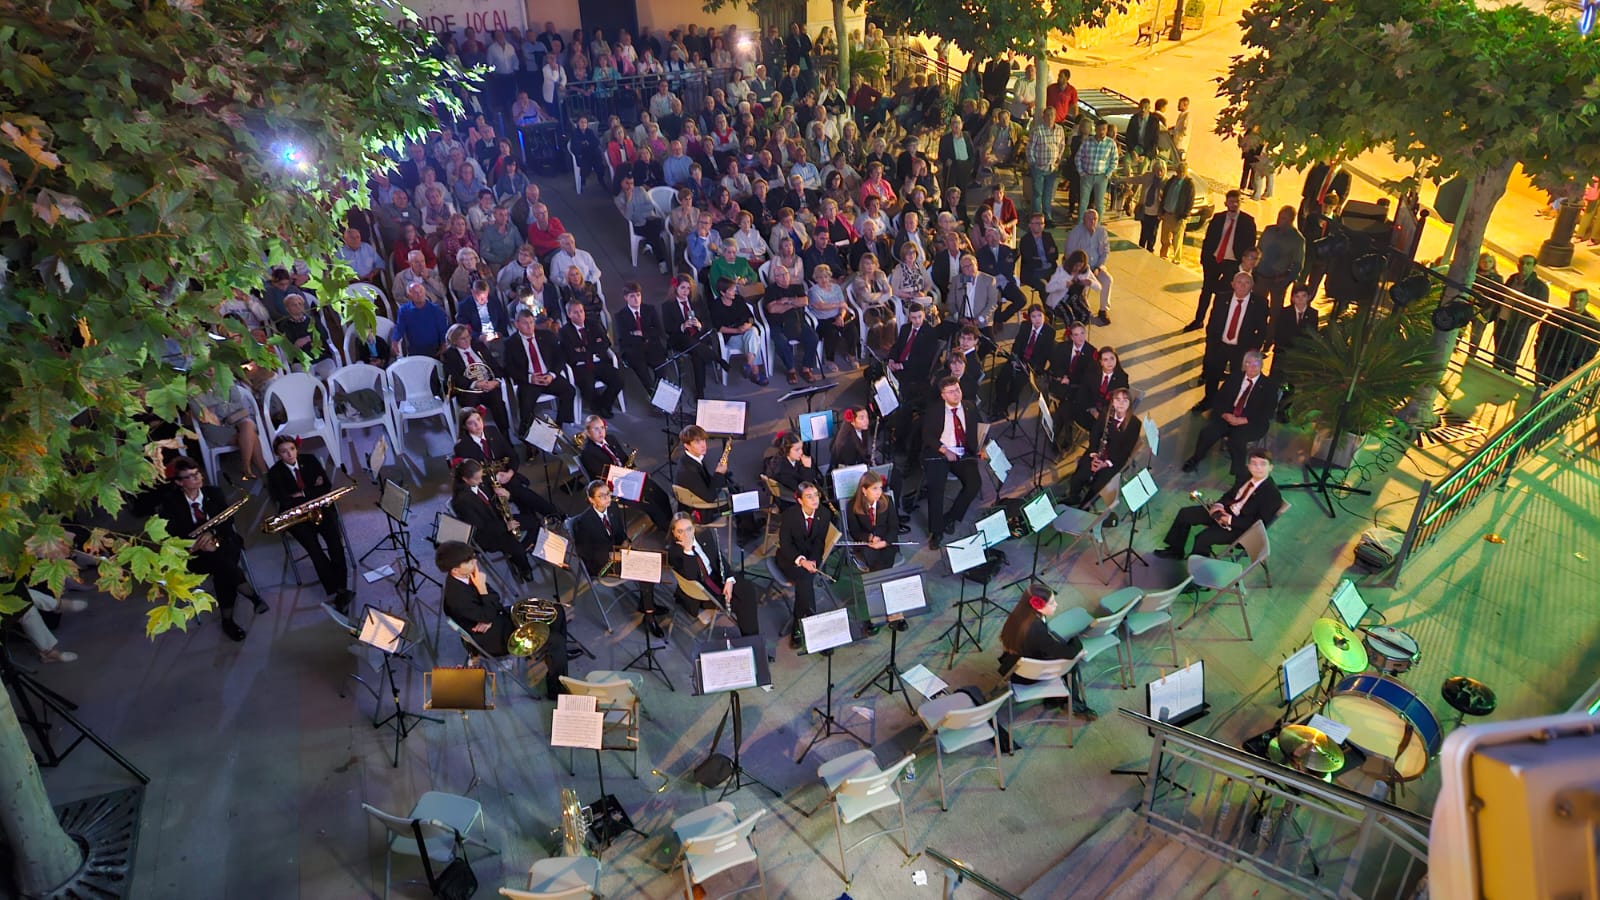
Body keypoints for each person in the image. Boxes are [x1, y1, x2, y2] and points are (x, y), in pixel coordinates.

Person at [436, 541, 570, 700]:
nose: (475, 562)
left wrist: (488, 612)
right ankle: (556, 690)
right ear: (456, 570)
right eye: (469, 561)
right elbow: (489, 609)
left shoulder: (470, 574)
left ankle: (554, 655)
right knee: (556, 642)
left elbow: (496, 600)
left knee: (557, 611)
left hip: (498, 618)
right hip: (492, 639)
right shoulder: (456, 597)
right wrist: (483, 592)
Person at [158, 457, 262, 641]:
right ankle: (250, 598)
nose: (197, 478)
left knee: (222, 562)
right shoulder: (170, 502)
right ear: (179, 482)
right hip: (194, 553)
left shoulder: (213, 493)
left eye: (197, 473)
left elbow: (227, 521)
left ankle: (229, 621)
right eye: (190, 477)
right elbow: (171, 532)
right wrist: (197, 543)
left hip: (223, 542)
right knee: (223, 567)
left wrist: (212, 533)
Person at [266, 436, 353, 612]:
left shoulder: (310, 460)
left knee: (336, 545)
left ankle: (341, 588)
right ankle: (337, 590)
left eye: (291, 448)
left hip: (322, 510)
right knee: (315, 551)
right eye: (284, 451)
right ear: (278, 454)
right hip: (298, 519)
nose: (289, 454)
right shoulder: (274, 473)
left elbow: (326, 486)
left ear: (296, 448)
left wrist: (300, 494)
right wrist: (311, 490)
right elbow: (283, 500)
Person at [571, 479, 665, 636]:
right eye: (602, 496)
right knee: (647, 570)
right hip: (602, 564)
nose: (607, 498)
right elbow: (585, 554)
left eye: (608, 494)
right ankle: (649, 616)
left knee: (652, 562)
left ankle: (647, 605)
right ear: (591, 500)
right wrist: (612, 555)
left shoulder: (612, 507)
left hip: (620, 553)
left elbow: (620, 532)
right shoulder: (583, 523)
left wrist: (625, 541)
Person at [1157, 449, 1283, 559]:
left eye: (1263, 464)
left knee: (1203, 538)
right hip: (1226, 511)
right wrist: (1219, 505)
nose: (1258, 468)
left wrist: (1230, 520)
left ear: (1270, 467)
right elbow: (1230, 494)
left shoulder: (1272, 494)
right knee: (1185, 514)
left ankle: (1197, 577)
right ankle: (1175, 551)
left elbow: (1257, 524)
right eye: (1254, 464)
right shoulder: (1245, 476)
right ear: (1248, 466)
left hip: (1240, 528)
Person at [997, 587, 1095, 718]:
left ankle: (1058, 700)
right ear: (1038, 606)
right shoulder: (1035, 628)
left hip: (1013, 663)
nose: (1056, 605)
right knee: (1071, 664)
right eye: (1052, 603)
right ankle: (1073, 703)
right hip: (1025, 675)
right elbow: (1067, 653)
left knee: (1062, 651)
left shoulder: (1020, 615)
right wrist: (1076, 641)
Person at [452, 407, 560, 523]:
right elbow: (470, 475)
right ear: (464, 427)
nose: (477, 425)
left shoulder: (492, 431)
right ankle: (537, 521)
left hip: (505, 475)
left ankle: (553, 515)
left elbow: (512, 455)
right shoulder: (462, 447)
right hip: (485, 484)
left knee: (522, 493)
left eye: (478, 419)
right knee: (518, 495)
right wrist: (492, 480)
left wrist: (510, 472)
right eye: (471, 423)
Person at [1183, 350, 1276, 482]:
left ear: (1261, 365)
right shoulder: (1235, 377)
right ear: (1244, 364)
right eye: (1248, 363)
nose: (1251, 367)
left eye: (1255, 364)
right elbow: (1219, 398)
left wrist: (1242, 420)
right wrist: (1225, 414)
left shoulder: (1269, 386)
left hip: (1251, 421)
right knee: (1208, 432)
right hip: (1229, 414)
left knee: (1236, 440)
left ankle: (1239, 473)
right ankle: (1196, 458)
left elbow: (1267, 412)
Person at [666, 513, 761, 635]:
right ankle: (753, 642)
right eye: (680, 531)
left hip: (718, 575)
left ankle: (753, 640)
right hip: (704, 589)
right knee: (742, 605)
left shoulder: (704, 535)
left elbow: (719, 557)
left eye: (689, 529)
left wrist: (729, 579)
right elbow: (691, 576)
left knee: (748, 589)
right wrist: (688, 551)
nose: (686, 535)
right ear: (673, 532)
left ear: (694, 528)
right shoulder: (674, 553)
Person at [577, 415, 673, 531]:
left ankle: (672, 522)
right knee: (650, 504)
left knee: (661, 494)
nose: (601, 432)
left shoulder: (611, 439)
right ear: (587, 432)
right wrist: (625, 476)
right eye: (595, 429)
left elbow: (623, 457)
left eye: (602, 428)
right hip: (616, 486)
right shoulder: (588, 453)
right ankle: (669, 531)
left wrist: (633, 468)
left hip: (629, 476)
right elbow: (603, 478)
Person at [923, 377, 986, 549]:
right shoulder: (934, 410)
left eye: (957, 390)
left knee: (974, 483)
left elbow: (980, 429)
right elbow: (927, 436)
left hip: (962, 452)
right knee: (936, 488)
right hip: (940, 452)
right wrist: (944, 451)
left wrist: (982, 447)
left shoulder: (969, 407)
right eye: (951, 392)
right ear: (943, 395)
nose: (956, 394)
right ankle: (936, 531)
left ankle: (950, 518)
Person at [450, 459, 537, 582]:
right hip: (488, 534)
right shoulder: (461, 502)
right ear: (465, 479)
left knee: (534, 522)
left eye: (481, 477)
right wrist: (506, 526)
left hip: (498, 519)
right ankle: (524, 567)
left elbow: (490, 498)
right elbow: (481, 526)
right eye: (477, 479)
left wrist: (505, 494)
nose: (481, 481)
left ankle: (523, 548)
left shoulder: (478, 482)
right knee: (516, 548)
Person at [1195, 271, 1270, 413]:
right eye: (1239, 282)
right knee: (1213, 375)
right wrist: (1211, 344)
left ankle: (1229, 406)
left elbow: (1261, 330)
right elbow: (1212, 322)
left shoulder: (1259, 303)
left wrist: (1252, 352)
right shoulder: (1222, 298)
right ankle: (1208, 400)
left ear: (1252, 286)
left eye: (1247, 283)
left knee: (1237, 379)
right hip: (1220, 346)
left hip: (1242, 350)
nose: (1242, 286)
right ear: (1233, 284)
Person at [1188, 190, 1258, 333]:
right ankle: (1198, 320)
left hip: (1232, 264)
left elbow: (1250, 246)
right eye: (1231, 201)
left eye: (1236, 202)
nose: (1233, 205)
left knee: (1223, 295)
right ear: (1226, 202)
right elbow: (1208, 240)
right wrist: (1204, 258)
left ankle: (1216, 325)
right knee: (1206, 291)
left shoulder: (1247, 222)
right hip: (1214, 260)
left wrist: (1244, 266)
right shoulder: (1218, 218)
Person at [1063, 388, 1141, 509]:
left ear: (1129, 403)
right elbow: (1095, 433)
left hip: (1113, 460)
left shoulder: (1135, 424)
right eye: (1117, 400)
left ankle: (1085, 505)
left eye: (1125, 400)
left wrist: (1105, 463)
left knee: (1099, 482)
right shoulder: (1106, 413)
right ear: (1113, 402)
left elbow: (1125, 451)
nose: (1121, 403)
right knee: (1080, 474)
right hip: (1097, 451)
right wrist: (1094, 454)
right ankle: (1074, 496)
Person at [776, 481, 832, 648]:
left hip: (812, 558)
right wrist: (801, 560)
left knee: (804, 581)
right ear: (799, 500)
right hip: (790, 558)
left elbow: (819, 542)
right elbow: (785, 544)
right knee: (805, 579)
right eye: (809, 496)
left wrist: (813, 560)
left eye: (816, 495)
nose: (815, 499)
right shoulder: (789, 515)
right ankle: (809, 623)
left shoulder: (824, 513)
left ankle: (799, 626)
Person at [502, 307, 576, 426]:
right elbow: (508, 368)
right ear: (517, 324)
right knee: (526, 403)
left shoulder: (547, 336)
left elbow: (560, 357)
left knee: (569, 391)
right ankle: (527, 432)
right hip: (529, 381)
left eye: (531, 322)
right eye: (525, 323)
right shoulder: (511, 343)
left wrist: (552, 375)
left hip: (548, 376)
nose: (529, 326)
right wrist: (529, 378)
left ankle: (560, 424)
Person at [441, 323, 513, 438]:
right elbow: (455, 377)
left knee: (497, 401)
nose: (467, 340)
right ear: (454, 341)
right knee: (470, 405)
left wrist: (495, 381)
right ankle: (475, 439)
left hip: (488, 385)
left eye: (468, 336)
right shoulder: (449, 355)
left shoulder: (479, 346)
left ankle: (505, 436)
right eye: (462, 339)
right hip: (469, 390)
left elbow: (494, 366)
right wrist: (475, 384)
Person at [557, 300, 624, 418]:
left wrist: (583, 350)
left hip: (599, 362)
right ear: (569, 314)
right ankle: (601, 407)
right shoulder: (564, 332)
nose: (580, 315)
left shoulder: (594, 324)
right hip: (580, 366)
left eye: (581, 311)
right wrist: (592, 349)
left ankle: (602, 405)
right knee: (587, 387)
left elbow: (605, 343)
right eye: (576, 312)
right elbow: (570, 354)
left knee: (618, 380)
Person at [992, 305, 1055, 421]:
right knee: (1001, 380)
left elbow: (1043, 355)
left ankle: (1001, 406)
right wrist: (1014, 359)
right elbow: (1017, 343)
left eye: (1039, 316)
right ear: (1030, 318)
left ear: (1044, 316)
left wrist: (1027, 364)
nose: (1037, 319)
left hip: (1031, 364)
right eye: (1033, 316)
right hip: (1018, 359)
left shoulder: (1049, 332)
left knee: (1017, 384)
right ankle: (1001, 406)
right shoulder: (1025, 326)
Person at [661, 275, 719, 399]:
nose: (685, 291)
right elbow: (667, 328)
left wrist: (700, 325)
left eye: (688, 288)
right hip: (679, 338)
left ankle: (699, 391)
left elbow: (708, 320)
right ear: (676, 288)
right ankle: (701, 388)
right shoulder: (667, 305)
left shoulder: (696, 300)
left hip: (697, 336)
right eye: (682, 288)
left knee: (697, 351)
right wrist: (682, 326)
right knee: (694, 345)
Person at [762, 264, 821, 384]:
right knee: (781, 341)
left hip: (798, 321)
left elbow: (804, 301)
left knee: (813, 338)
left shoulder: (797, 287)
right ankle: (791, 370)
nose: (784, 277)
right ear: (776, 278)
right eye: (780, 275)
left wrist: (786, 302)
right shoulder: (770, 290)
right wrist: (794, 303)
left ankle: (806, 368)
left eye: (786, 274)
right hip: (778, 323)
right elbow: (772, 309)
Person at [1495, 254, 1549, 375]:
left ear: (1534, 267)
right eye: (1522, 263)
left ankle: (1509, 378)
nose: (1524, 266)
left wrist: (1526, 321)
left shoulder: (1540, 287)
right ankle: (1495, 375)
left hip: (1518, 324)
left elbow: (1540, 309)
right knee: (1498, 352)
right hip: (1502, 319)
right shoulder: (1512, 278)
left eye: (1528, 264)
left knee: (1512, 355)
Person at [709, 275, 769, 384]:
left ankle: (749, 365)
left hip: (746, 332)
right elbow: (719, 328)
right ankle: (755, 373)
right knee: (755, 340)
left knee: (753, 333)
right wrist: (737, 331)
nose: (734, 291)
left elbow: (750, 317)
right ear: (723, 293)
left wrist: (748, 325)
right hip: (731, 337)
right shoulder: (716, 305)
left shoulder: (739, 300)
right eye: (731, 290)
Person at [1533, 288, 1600, 387]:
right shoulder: (1557, 315)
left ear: (1586, 302)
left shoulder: (1592, 324)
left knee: (1558, 397)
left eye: (1580, 300)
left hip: (1568, 367)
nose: (1576, 303)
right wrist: (1539, 356)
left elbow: (1591, 350)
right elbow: (1542, 335)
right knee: (1538, 391)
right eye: (1574, 299)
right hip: (1548, 362)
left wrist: (1577, 367)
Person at [1063, 208, 1114, 326]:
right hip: (1080, 268)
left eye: (1095, 219)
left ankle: (1103, 309)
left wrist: (1099, 267)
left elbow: (1106, 252)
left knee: (1107, 280)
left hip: (1096, 266)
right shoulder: (1076, 232)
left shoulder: (1102, 232)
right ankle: (1085, 309)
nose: (1092, 221)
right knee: (1084, 284)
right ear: (1084, 220)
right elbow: (1069, 253)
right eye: (1089, 219)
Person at [614, 281, 667, 391]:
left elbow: (659, 331)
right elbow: (624, 338)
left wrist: (641, 333)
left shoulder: (650, 310)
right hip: (633, 350)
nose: (636, 299)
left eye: (638, 295)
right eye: (632, 296)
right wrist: (647, 333)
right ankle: (653, 395)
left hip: (651, 345)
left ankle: (660, 396)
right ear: (626, 298)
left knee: (661, 367)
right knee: (642, 371)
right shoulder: (620, 316)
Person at [847, 470, 900, 571]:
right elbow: (854, 531)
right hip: (866, 543)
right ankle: (881, 583)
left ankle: (880, 583)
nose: (879, 492)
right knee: (875, 561)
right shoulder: (852, 505)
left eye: (880, 488)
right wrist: (869, 537)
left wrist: (884, 542)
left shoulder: (887, 501)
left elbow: (894, 527)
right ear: (864, 490)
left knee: (887, 558)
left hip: (886, 540)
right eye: (874, 489)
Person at [1255, 205, 1305, 310]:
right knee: (1256, 308)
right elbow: (1258, 250)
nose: (1279, 220)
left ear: (1291, 220)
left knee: (1275, 311)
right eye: (1279, 216)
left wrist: (1285, 282)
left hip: (1278, 280)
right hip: (1261, 277)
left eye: (1283, 218)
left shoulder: (1297, 239)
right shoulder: (1269, 230)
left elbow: (1298, 265)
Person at [1072, 346, 1130, 434]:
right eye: (1105, 360)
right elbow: (1083, 391)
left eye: (1112, 358)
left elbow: (1119, 403)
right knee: (1067, 410)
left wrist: (1101, 415)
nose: (1110, 362)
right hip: (1089, 407)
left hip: (1105, 415)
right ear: (1101, 362)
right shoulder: (1092, 372)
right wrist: (1092, 408)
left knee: (1098, 430)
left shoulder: (1122, 378)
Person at [1026, 113, 1065, 224]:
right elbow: (1030, 148)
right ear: (1043, 118)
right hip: (1039, 167)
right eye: (1047, 116)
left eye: (1052, 116)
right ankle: (1037, 218)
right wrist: (1033, 163)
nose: (1050, 118)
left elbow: (1062, 145)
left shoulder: (1060, 129)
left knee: (1048, 194)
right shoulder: (1037, 130)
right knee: (1038, 193)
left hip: (1052, 168)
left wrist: (1058, 159)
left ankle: (1047, 218)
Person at [394, 281, 450, 357]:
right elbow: (399, 328)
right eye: (415, 292)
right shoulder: (404, 311)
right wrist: (394, 341)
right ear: (409, 295)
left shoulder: (436, 310)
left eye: (421, 291)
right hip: (415, 351)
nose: (419, 294)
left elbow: (443, 330)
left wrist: (444, 346)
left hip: (435, 350)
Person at [1157, 162, 1198, 265]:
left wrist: (1184, 215)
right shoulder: (1171, 181)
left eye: (1182, 171)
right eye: (1178, 171)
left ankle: (1176, 259)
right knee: (1164, 238)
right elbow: (1165, 195)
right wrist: (1161, 210)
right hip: (1167, 213)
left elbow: (1190, 201)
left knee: (1177, 239)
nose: (1180, 173)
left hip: (1178, 216)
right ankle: (1163, 255)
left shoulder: (1189, 185)